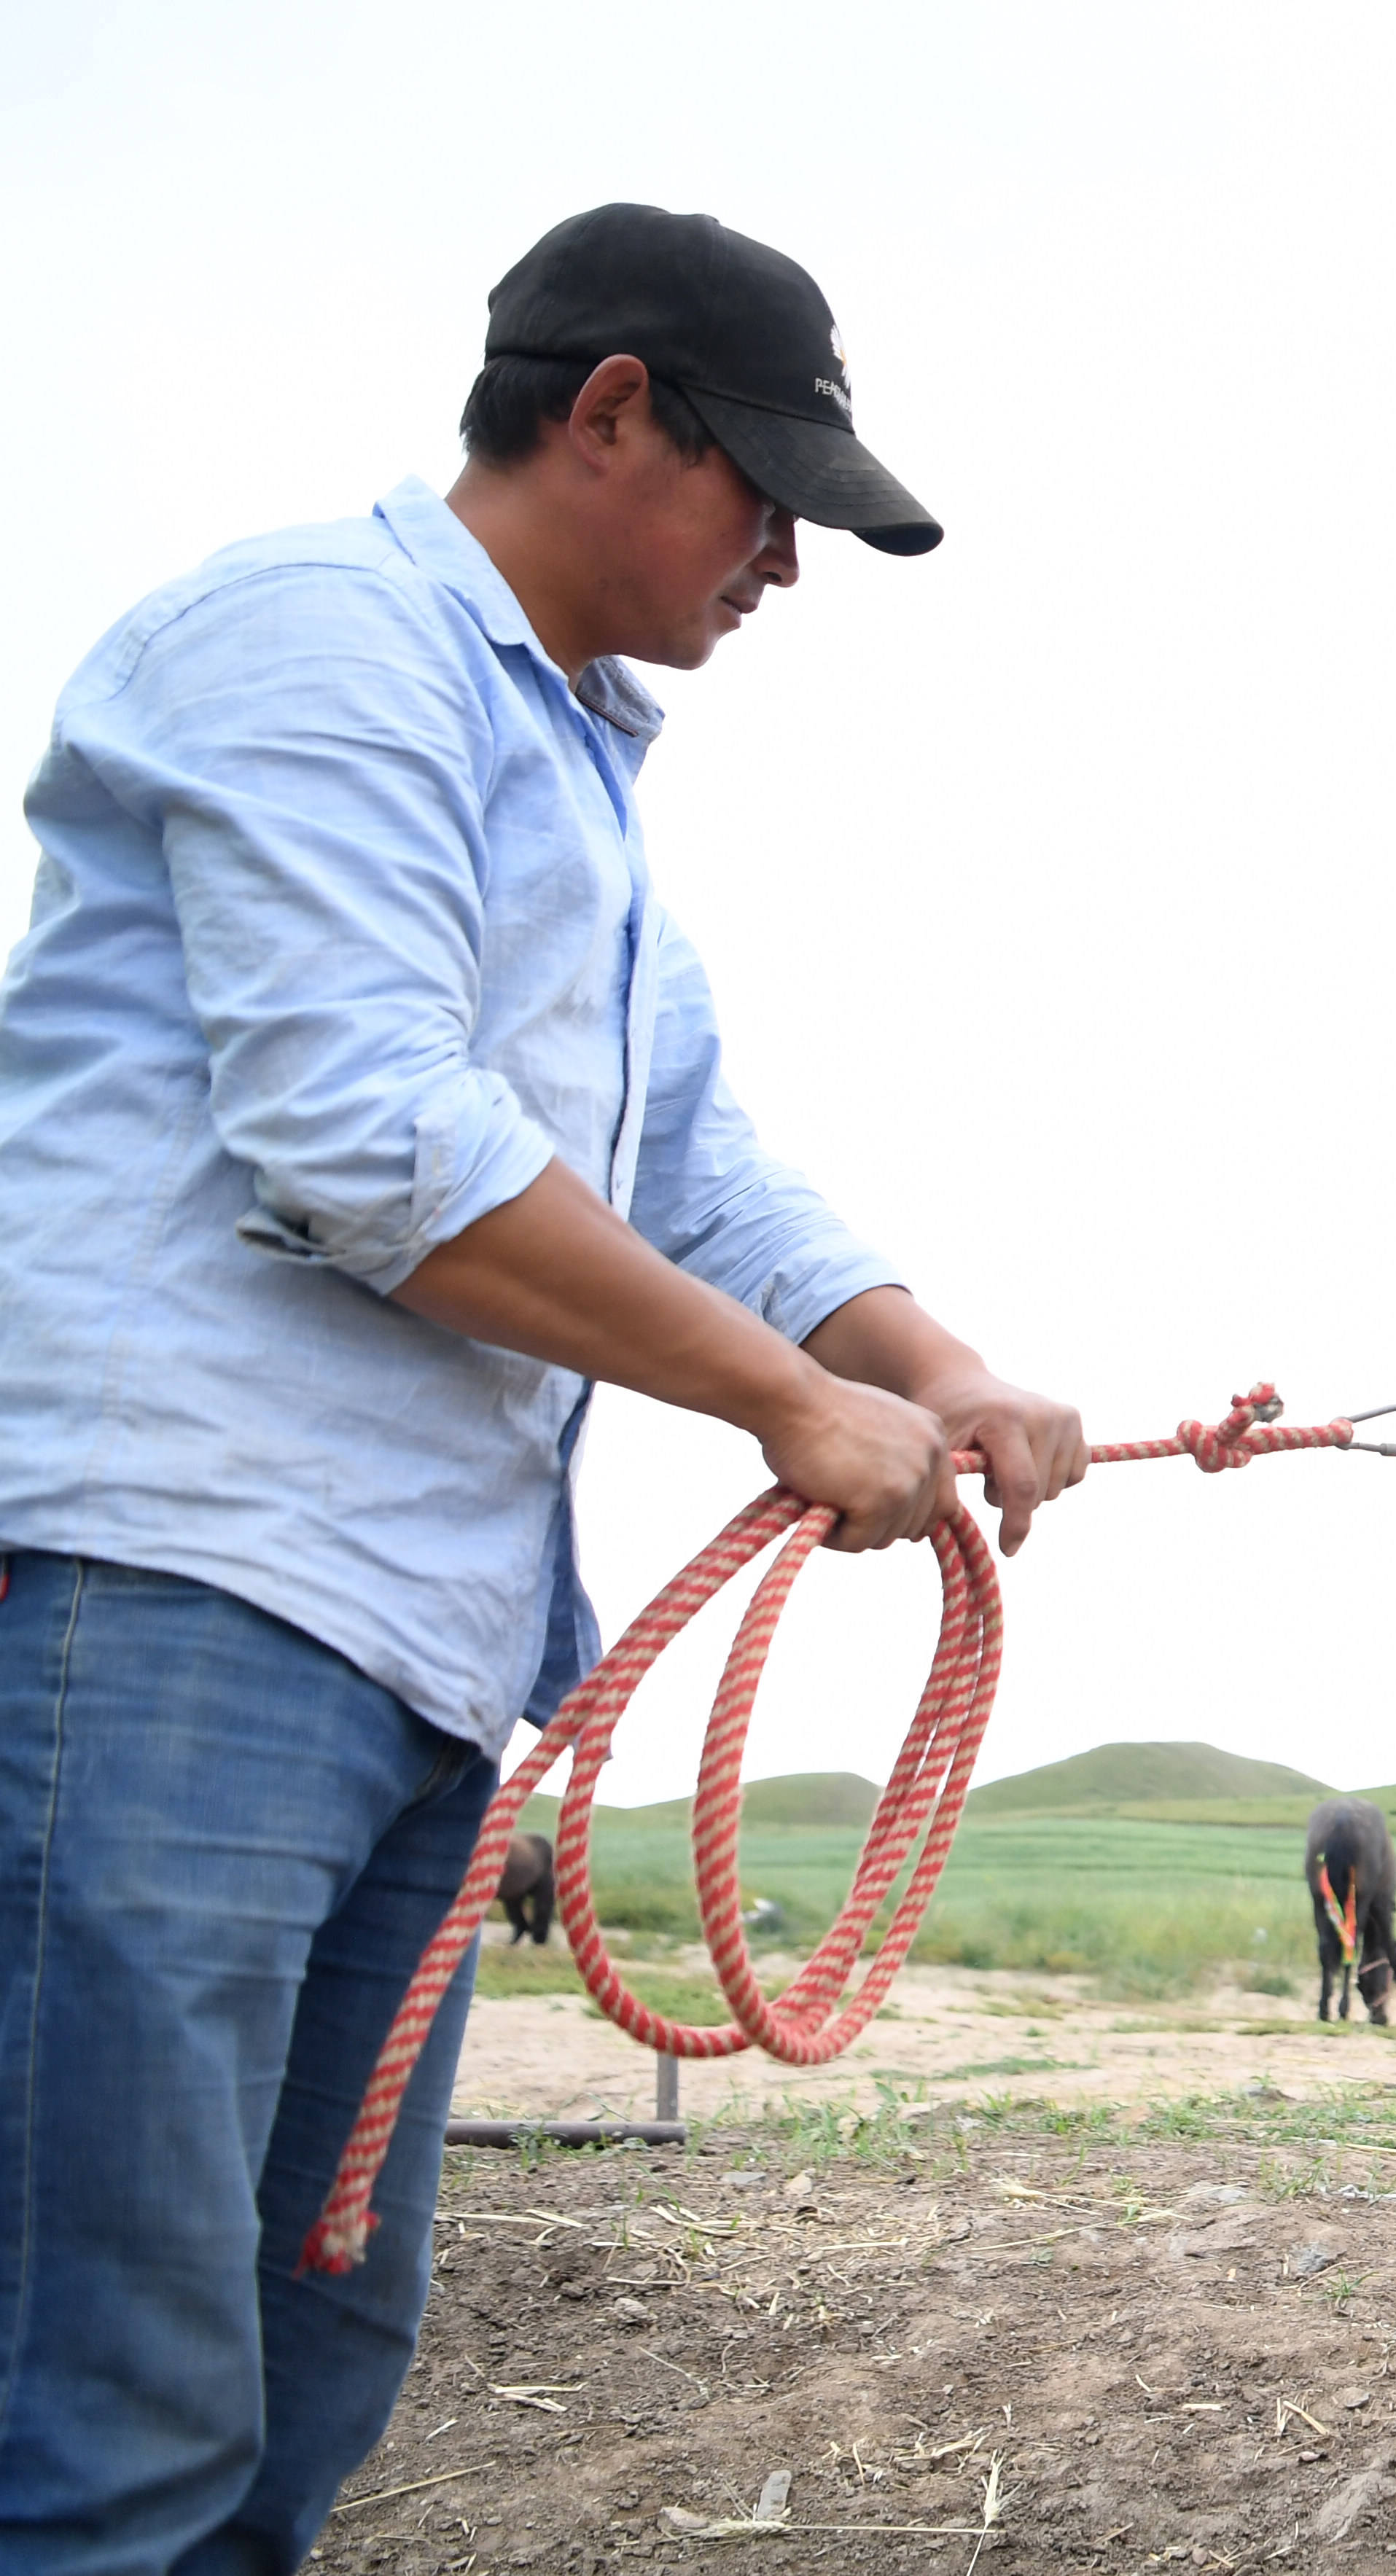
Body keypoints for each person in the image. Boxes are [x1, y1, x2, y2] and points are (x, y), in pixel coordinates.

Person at [0, 205, 1085, 2572]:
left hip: (405, 1655)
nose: (787, 556)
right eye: (764, 485)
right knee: (115, 2392)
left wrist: (928, 1359)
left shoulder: (578, 796)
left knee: (308, 2358)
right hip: (167, 1582)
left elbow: (690, 1163)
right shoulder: (319, 642)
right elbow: (363, 1125)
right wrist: (785, 1411)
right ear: (609, 411)